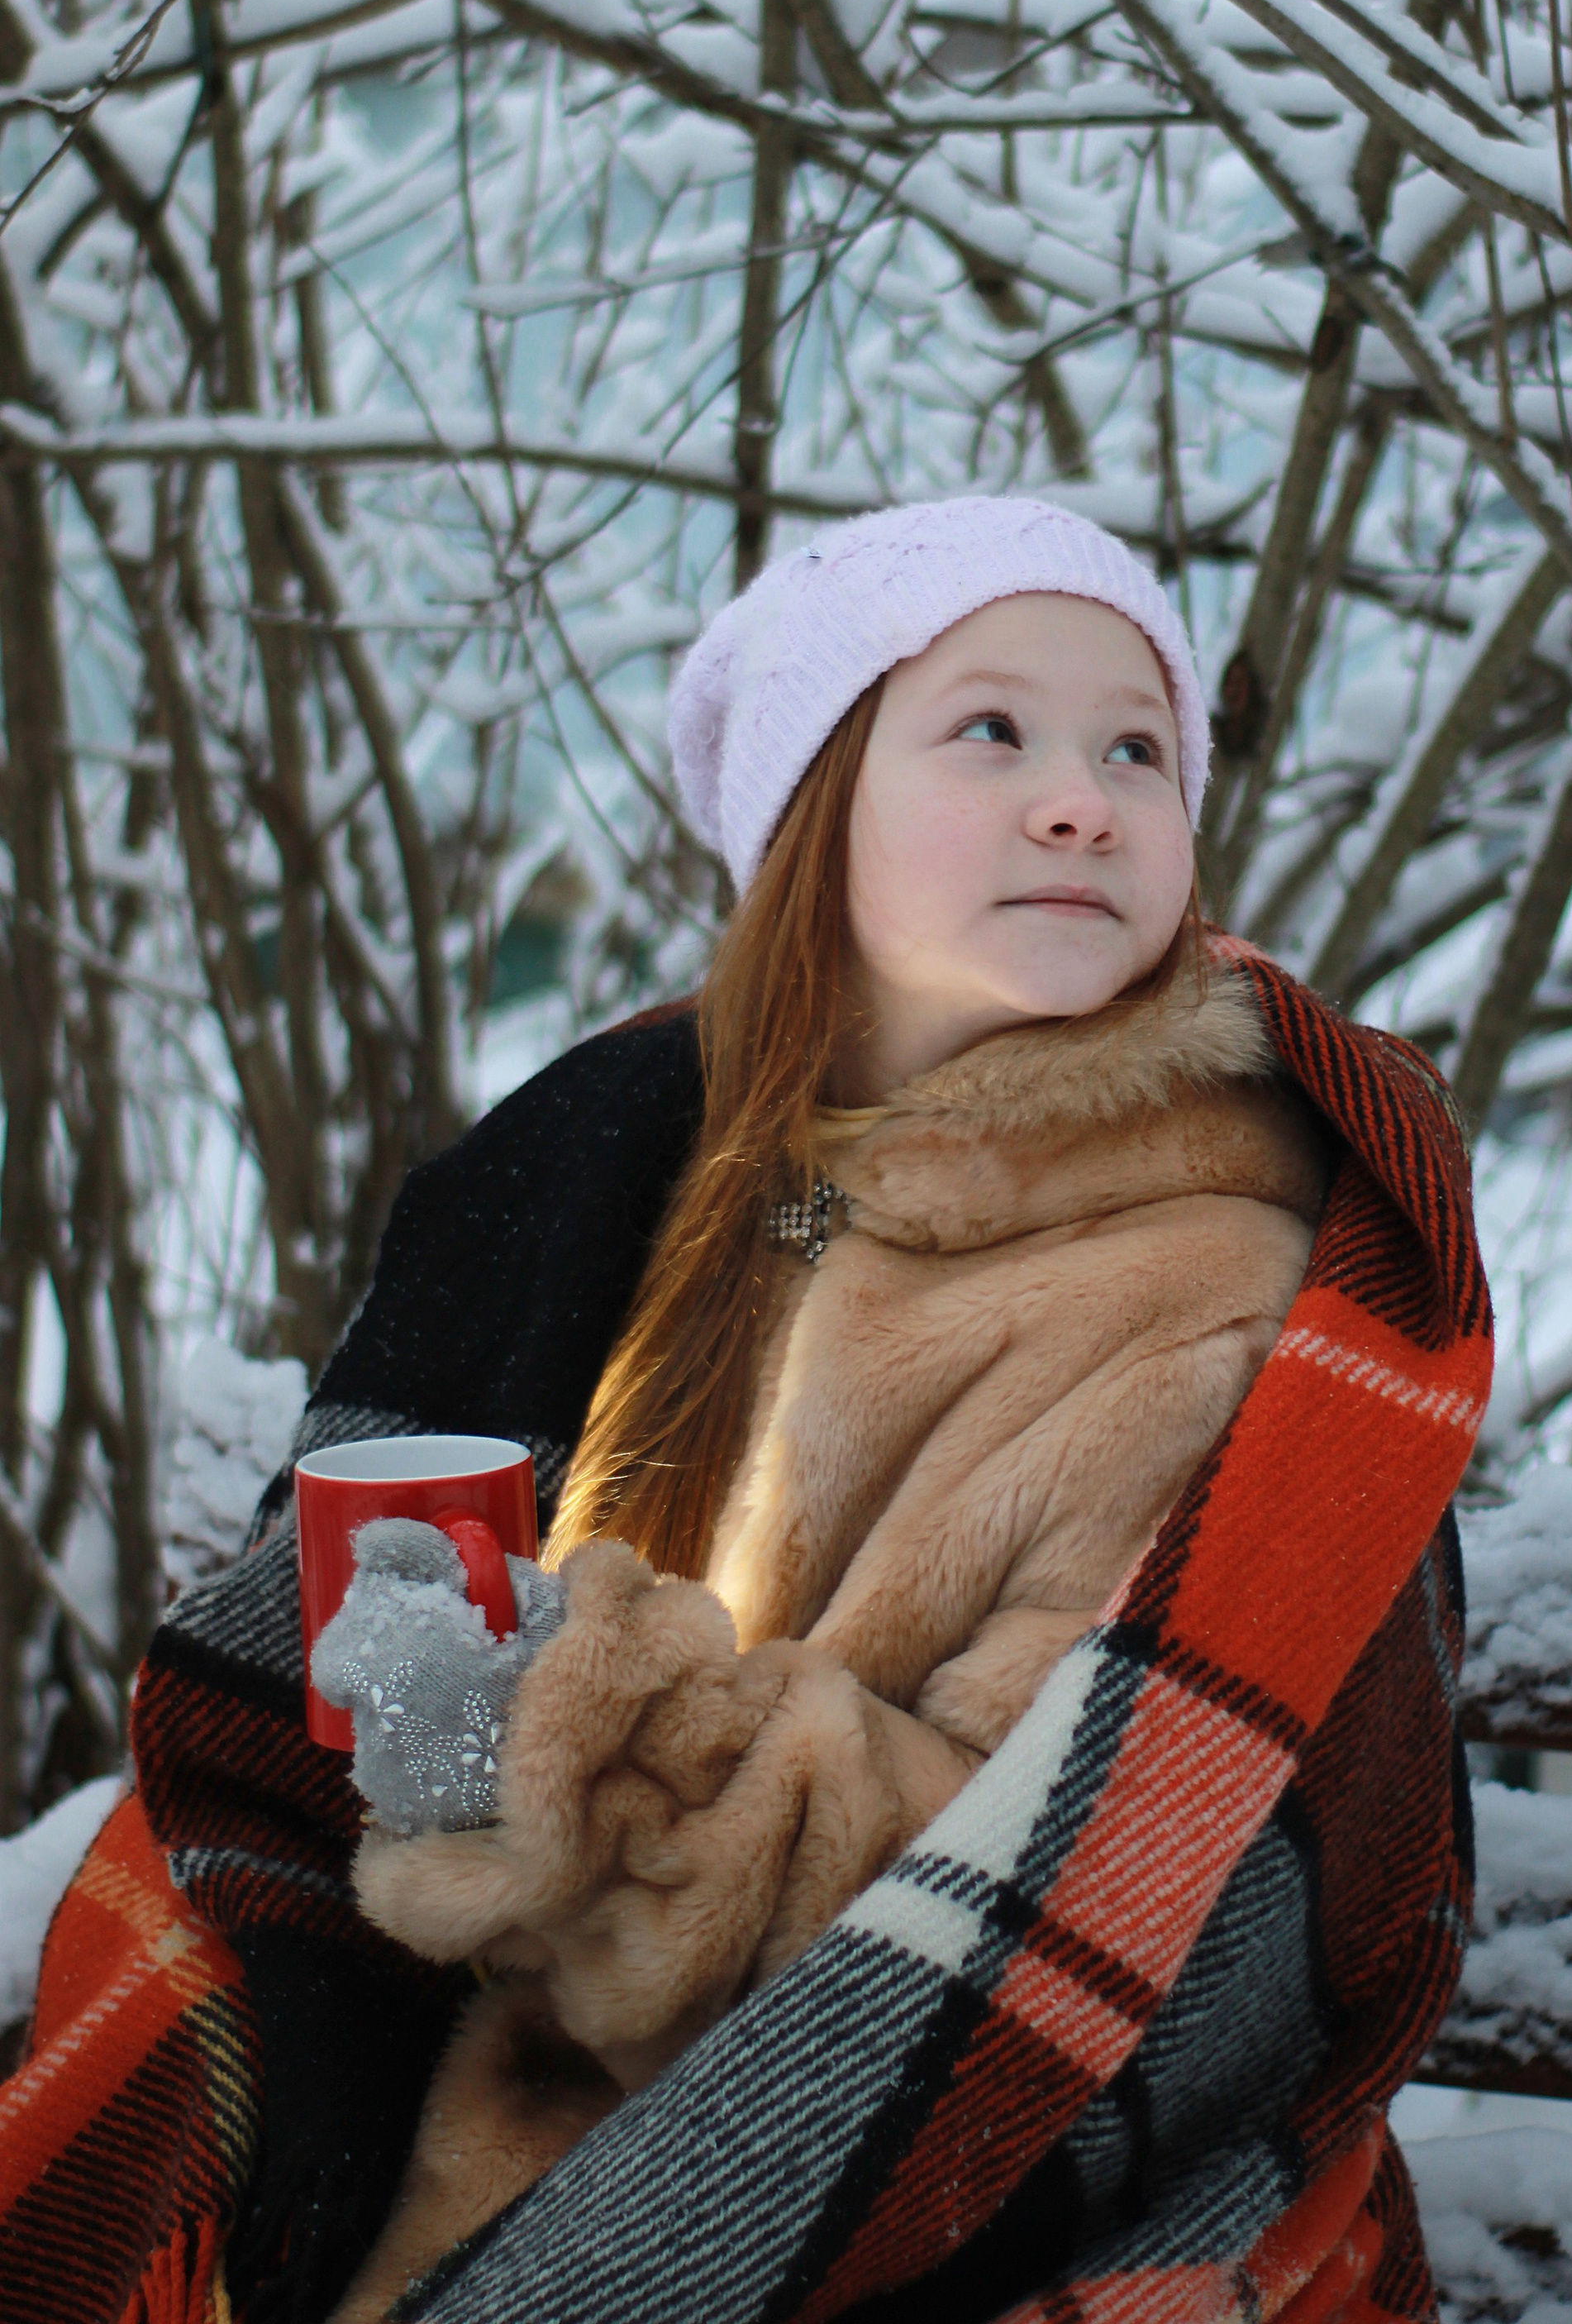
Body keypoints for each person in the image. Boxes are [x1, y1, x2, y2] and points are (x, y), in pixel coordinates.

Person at [2, 496, 1492, 2324]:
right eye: (993, 730)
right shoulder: (717, 1195)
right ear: (812, 812)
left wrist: (568, 1740)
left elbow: (1015, 1922)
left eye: (1136, 750)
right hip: (520, 2123)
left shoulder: (1203, 1295)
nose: (1081, 803)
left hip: (883, 2188)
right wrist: (446, 1727)